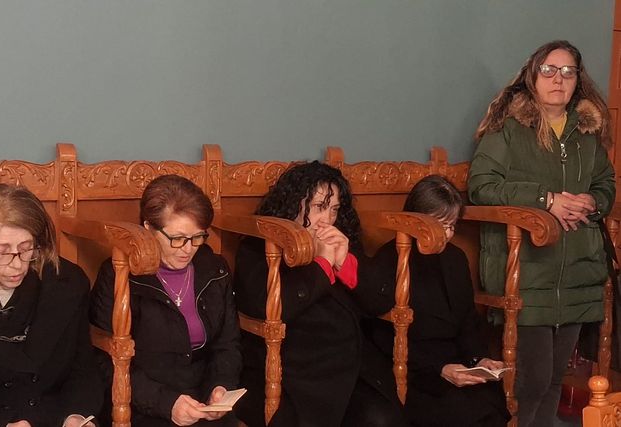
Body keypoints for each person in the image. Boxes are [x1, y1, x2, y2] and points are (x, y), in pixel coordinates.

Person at [468, 40, 615, 427]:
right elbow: (481, 186)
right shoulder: (509, 128)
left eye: (568, 72)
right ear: (532, 76)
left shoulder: (586, 133)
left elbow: (606, 184)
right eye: (549, 70)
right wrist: (546, 199)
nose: (558, 79)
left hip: (578, 271)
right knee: (530, 381)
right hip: (527, 272)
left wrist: (592, 201)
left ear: (578, 80)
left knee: (553, 380)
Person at [234, 161, 409, 427]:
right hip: (295, 371)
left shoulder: (340, 240)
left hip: (349, 368)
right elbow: (265, 306)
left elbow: (380, 301)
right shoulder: (258, 246)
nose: (327, 219)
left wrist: (344, 263)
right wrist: (322, 265)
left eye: (334, 209)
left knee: (382, 418)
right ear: (294, 204)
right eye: (318, 207)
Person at [0, 183, 103, 427]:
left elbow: (82, 369)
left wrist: (76, 415)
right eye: (1, 252)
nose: (18, 264)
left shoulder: (67, 284)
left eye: (27, 249)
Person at [89, 174, 241, 427]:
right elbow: (104, 360)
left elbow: (228, 344)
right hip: (142, 404)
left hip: (202, 400)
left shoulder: (214, 269)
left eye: (197, 237)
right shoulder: (118, 273)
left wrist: (220, 387)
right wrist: (167, 403)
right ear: (148, 228)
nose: (188, 249)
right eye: (177, 239)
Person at [362, 175, 511, 427]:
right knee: (459, 411)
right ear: (415, 219)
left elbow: (467, 320)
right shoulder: (390, 259)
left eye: (451, 225)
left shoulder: (455, 258)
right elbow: (380, 335)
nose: (447, 234)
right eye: (439, 225)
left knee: (490, 400)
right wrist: (440, 368)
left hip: (456, 361)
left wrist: (478, 360)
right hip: (413, 368)